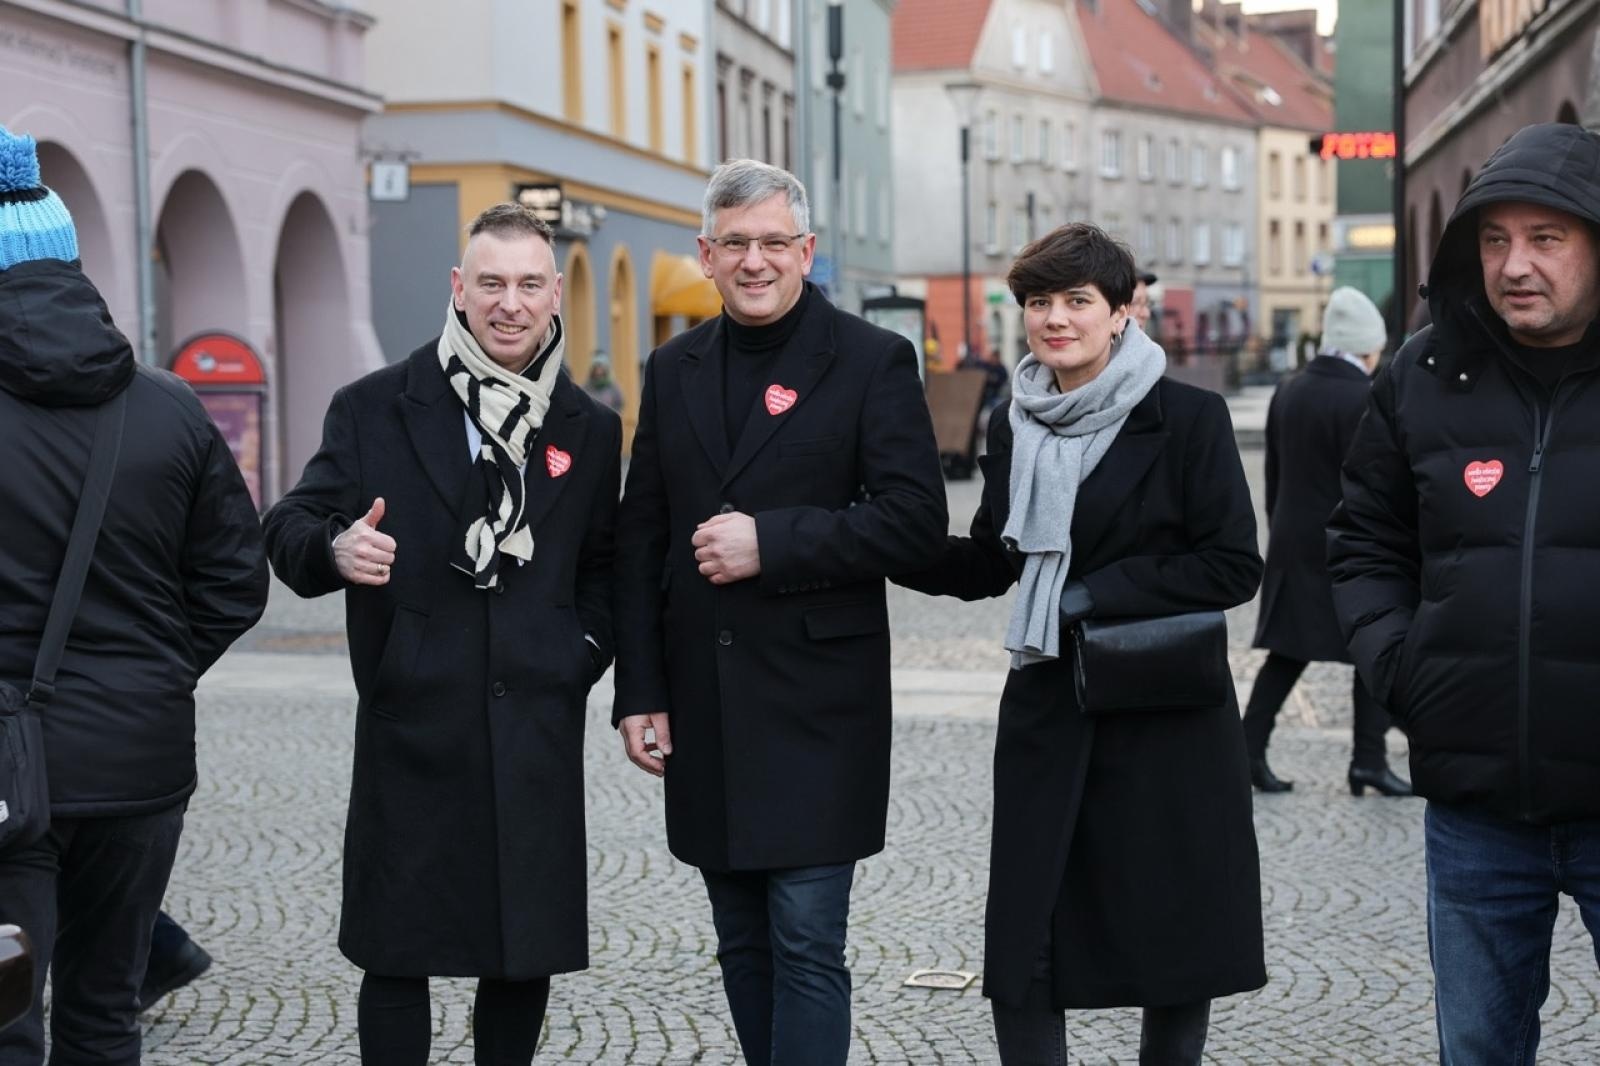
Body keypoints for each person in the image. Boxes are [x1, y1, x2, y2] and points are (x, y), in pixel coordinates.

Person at [896, 223, 1265, 1065]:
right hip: (1049, 707)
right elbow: (996, 558)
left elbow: (1233, 565)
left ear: (1122, 311)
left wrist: (1095, 594)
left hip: (1165, 714)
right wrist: (888, 545)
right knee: (1026, 939)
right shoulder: (1013, 422)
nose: (1055, 319)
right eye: (1038, 302)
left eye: (1076, 301)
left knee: (1175, 941)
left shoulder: (1187, 417)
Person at [262, 202, 621, 1066]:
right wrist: (335, 547)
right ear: (459, 291)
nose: (511, 303)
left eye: (530, 284)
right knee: (397, 947)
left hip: (533, 720)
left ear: (553, 297)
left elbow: (609, 568)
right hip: (412, 718)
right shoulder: (373, 406)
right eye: (491, 283)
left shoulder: (589, 427)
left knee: (522, 947)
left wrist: (576, 656)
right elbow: (289, 525)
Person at [611, 158, 946, 1066]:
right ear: (705, 256)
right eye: (734, 245)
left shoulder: (871, 359)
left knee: (805, 940)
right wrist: (639, 689)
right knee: (742, 938)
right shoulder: (672, 367)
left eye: (772, 243)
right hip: (705, 701)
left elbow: (916, 523)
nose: (754, 262)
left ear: (807, 252)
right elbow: (640, 541)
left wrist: (777, 541)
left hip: (816, 707)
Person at [1328, 121, 1600, 1063]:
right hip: (1476, 808)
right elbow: (1364, 541)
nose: (1514, 264)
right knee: (1479, 1050)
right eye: (1493, 239)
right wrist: (1406, 672)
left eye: (1546, 238)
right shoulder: (1425, 373)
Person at [0, 125, 268, 1064]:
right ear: (72, 262)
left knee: (4, 1020)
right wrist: (152, 670)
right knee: (104, 1011)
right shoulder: (171, 405)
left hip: (5, 769)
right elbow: (237, 581)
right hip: (139, 761)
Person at [1243, 286, 1410, 797]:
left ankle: (1247, 752)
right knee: (1376, 647)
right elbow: (1374, 483)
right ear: (1368, 346)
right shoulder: (1364, 396)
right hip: (1345, 548)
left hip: (1294, 543)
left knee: (1287, 653)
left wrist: (1279, 529)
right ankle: (1367, 760)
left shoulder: (1290, 388)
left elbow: (1273, 474)